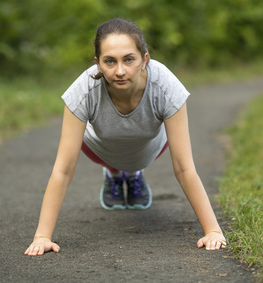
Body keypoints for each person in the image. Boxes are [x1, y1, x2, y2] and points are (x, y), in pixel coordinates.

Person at [24, 18, 227, 256]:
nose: (120, 71)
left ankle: (131, 172)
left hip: (150, 146)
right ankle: (114, 172)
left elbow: (184, 167)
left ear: (145, 59)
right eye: (110, 61)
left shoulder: (165, 85)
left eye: (129, 59)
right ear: (98, 63)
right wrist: (42, 236)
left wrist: (213, 230)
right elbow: (63, 169)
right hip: (100, 146)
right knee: (102, 153)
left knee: (140, 158)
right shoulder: (83, 90)